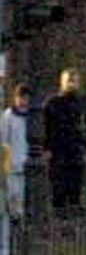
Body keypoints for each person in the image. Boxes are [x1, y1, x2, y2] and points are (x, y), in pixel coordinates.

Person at [43, 68, 86, 212]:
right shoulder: (53, 103)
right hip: (58, 150)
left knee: (76, 182)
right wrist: (46, 148)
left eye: (74, 81)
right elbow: (45, 126)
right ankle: (59, 210)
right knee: (59, 184)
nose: (71, 84)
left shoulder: (83, 102)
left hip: (77, 149)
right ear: (62, 82)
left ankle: (75, 208)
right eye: (68, 81)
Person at [2, 85, 30, 227]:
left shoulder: (31, 116)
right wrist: (6, 166)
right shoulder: (8, 116)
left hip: (28, 165)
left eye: (25, 98)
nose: (23, 101)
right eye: (20, 97)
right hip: (12, 166)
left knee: (24, 200)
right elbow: (4, 142)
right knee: (13, 198)